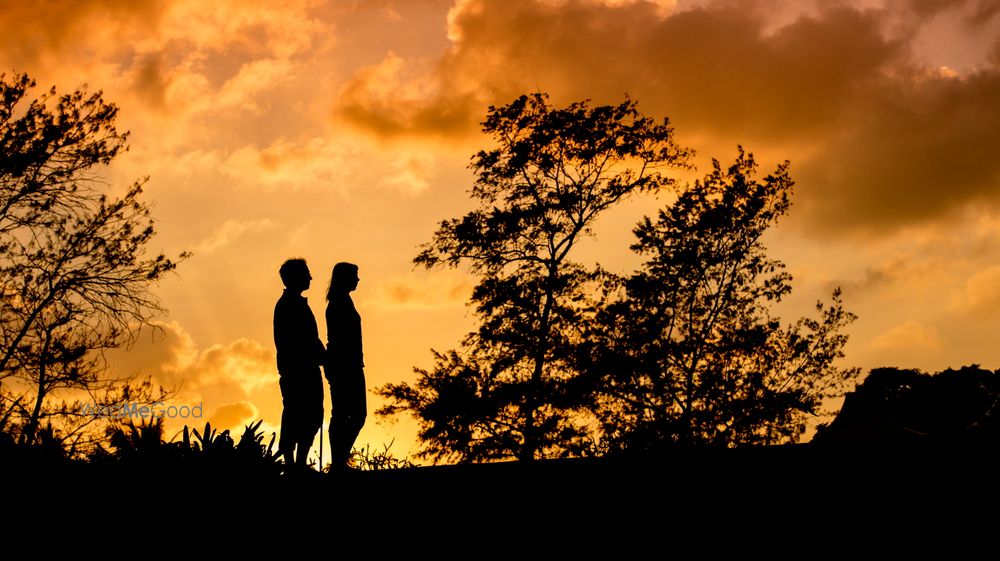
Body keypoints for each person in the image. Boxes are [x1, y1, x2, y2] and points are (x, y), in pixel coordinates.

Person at [273, 258, 325, 474]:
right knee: (299, 413)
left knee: (310, 415)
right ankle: (293, 463)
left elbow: (312, 338)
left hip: (304, 368)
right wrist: (322, 356)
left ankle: (299, 463)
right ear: (295, 277)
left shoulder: (295, 303)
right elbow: (304, 340)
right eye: (306, 273)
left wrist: (322, 356)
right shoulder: (289, 305)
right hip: (298, 370)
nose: (310, 277)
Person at [325, 262, 366, 470]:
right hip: (344, 366)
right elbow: (340, 339)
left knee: (347, 414)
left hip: (348, 364)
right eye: (355, 275)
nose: (358, 279)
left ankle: (339, 460)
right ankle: (339, 461)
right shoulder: (338, 302)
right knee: (348, 414)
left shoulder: (342, 301)